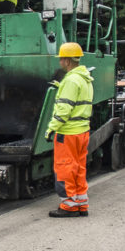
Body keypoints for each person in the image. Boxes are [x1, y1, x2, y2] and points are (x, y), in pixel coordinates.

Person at [45, 42, 93, 217]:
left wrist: (50, 129)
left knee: (64, 167)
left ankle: (68, 205)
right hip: (82, 131)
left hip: (68, 132)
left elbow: (64, 109)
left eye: (61, 59)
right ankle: (81, 203)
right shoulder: (84, 79)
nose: (60, 62)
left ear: (66, 60)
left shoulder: (71, 80)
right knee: (79, 168)